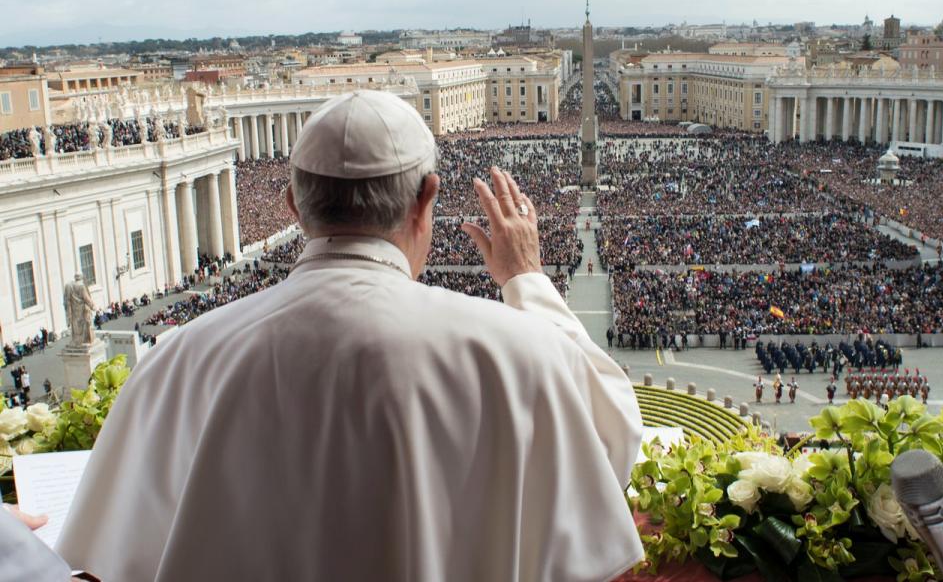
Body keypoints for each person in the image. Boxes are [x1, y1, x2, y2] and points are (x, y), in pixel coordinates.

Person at [57, 90, 644, 582]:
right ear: (426, 200)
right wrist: (528, 281)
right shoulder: (518, 353)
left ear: (293, 205)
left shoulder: (180, 360)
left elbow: (111, 554)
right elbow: (614, 440)